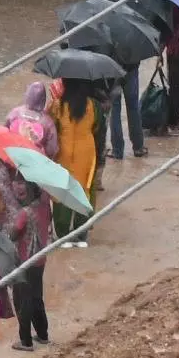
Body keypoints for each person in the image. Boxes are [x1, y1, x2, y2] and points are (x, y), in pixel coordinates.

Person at [46, 78, 99, 245]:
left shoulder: (57, 106)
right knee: (84, 190)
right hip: (86, 153)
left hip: (64, 153)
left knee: (62, 192)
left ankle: (63, 235)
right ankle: (81, 232)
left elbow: (49, 125)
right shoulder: (92, 105)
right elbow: (96, 127)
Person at [9, 180, 51, 351]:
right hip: (40, 259)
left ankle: (26, 341)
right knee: (37, 297)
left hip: (26, 261)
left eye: (23, 192)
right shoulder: (45, 207)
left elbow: (13, 234)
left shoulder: (25, 213)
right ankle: (42, 334)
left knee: (22, 300)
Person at [108, 52, 148, 161]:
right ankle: (138, 147)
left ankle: (117, 150)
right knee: (133, 107)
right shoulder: (133, 34)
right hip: (131, 68)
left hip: (112, 70)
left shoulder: (106, 34)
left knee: (114, 109)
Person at [5, 81, 58, 158]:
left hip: (15, 156)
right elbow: (52, 149)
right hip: (35, 160)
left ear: (27, 95)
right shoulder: (47, 122)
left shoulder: (15, 113)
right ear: (43, 99)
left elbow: (5, 131)